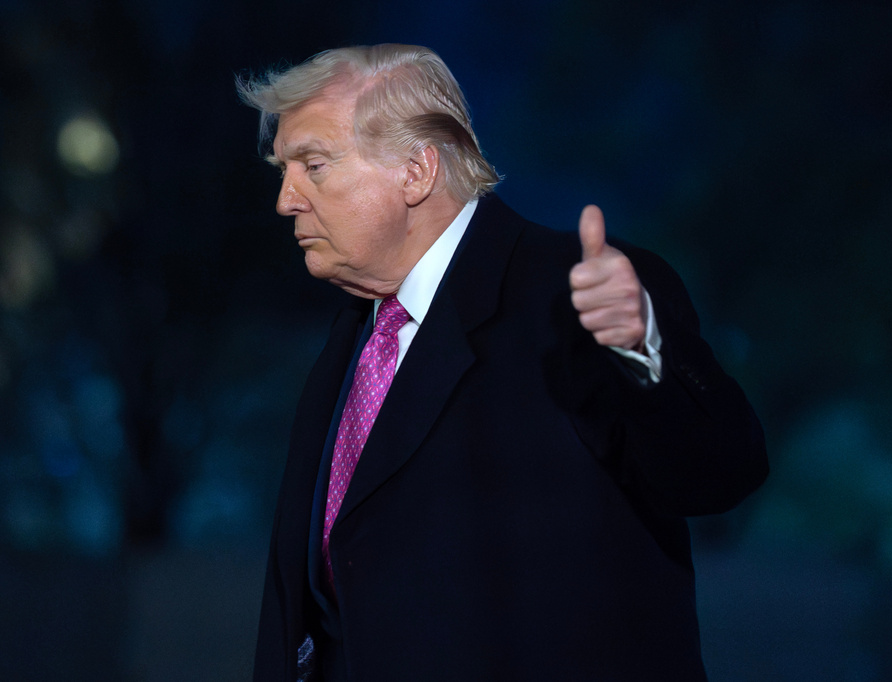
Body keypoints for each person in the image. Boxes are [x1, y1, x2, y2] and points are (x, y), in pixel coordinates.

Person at [236, 43, 767, 681]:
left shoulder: (575, 295)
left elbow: (719, 473)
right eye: (283, 170)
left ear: (416, 170)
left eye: (312, 165)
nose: (286, 200)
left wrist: (642, 348)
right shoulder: (354, 332)